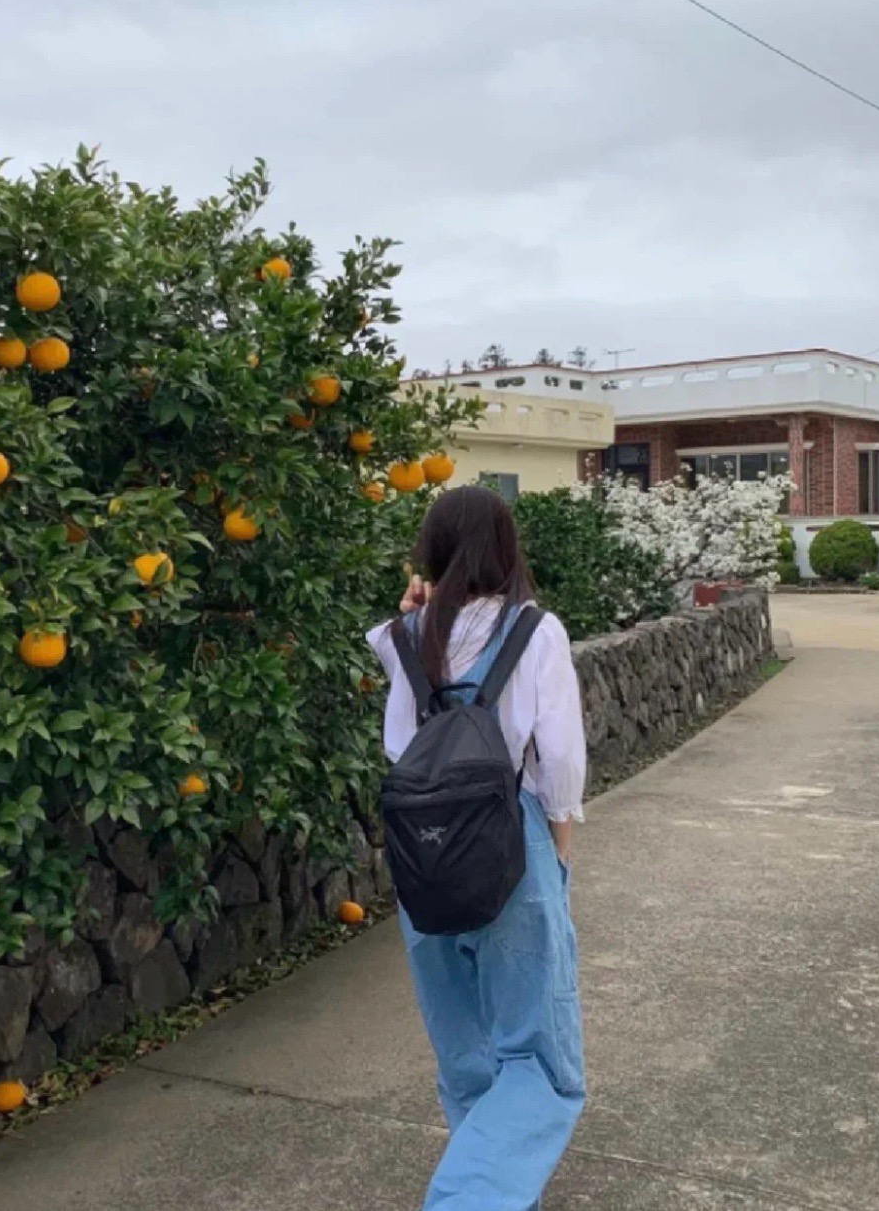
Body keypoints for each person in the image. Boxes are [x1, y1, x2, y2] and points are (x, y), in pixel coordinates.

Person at [367, 484, 587, 1211]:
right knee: (540, 1060)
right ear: (505, 547)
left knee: (466, 1053)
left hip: (421, 856)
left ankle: (493, 1193)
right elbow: (559, 761)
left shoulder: (401, 637)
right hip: (508, 841)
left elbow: (405, 738)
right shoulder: (536, 631)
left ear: (431, 551)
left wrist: (414, 611)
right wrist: (557, 857)